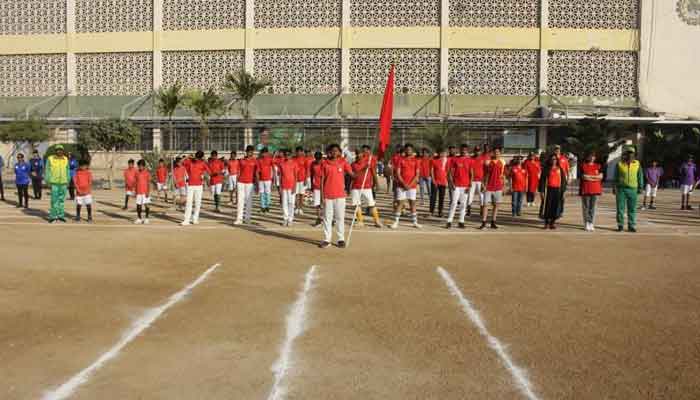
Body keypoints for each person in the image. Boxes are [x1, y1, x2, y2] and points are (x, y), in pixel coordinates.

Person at [319, 144, 354, 249]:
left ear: (339, 152)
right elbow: (322, 181)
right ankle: (326, 239)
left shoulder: (343, 162)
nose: (334, 152)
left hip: (340, 195)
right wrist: (321, 196)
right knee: (327, 218)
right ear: (329, 152)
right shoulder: (324, 163)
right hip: (328, 195)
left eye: (336, 151)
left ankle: (340, 239)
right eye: (332, 151)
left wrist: (366, 168)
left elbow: (352, 174)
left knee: (339, 218)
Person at [350, 145, 383, 228]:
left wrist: (377, 184)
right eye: (356, 153)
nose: (358, 155)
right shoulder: (353, 164)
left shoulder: (368, 162)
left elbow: (374, 173)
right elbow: (352, 176)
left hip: (366, 186)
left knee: (371, 204)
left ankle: (377, 220)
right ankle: (360, 221)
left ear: (363, 154)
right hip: (355, 187)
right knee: (357, 204)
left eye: (360, 153)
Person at [613, 146, 644, 233]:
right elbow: (615, 177)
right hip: (621, 189)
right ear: (625, 154)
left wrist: (641, 187)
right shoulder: (619, 164)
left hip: (633, 189)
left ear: (634, 155)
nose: (630, 155)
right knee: (620, 208)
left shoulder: (637, 164)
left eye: (632, 154)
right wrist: (614, 187)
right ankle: (620, 225)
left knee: (632, 208)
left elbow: (640, 176)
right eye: (629, 153)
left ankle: (631, 225)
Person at [391, 143, 421, 229]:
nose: (408, 151)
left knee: (412, 203)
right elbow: (398, 173)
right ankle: (396, 222)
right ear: (405, 150)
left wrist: (410, 185)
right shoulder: (400, 160)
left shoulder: (416, 160)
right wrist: (404, 184)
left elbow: (417, 175)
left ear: (412, 151)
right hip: (401, 186)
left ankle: (415, 222)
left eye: (410, 150)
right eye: (407, 150)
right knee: (400, 203)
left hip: (412, 186)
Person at [446, 144, 472, 229]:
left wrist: (469, 185)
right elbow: (449, 172)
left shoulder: (470, 160)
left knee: (463, 204)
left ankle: (461, 221)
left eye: (465, 150)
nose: (463, 151)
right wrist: (451, 183)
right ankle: (449, 221)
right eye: (462, 149)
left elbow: (471, 173)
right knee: (453, 203)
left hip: (465, 186)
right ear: (460, 150)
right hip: (456, 185)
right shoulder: (455, 159)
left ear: (467, 150)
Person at [181, 151, 210, 226]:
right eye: (196, 157)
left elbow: (209, 171)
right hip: (190, 184)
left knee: (198, 203)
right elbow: (181, 162)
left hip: (199, 185)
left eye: (198, 157)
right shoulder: (190, 162)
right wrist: (187, 156)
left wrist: (205, 160)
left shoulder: (203, 163)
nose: (197, 158)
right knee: (189, 202)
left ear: (201, 158)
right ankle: (186, 220)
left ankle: (195, 219)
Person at [539, 153, 567, 229]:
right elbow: (542, 181)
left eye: (555, 159)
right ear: (549, 160)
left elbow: (564, 181)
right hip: (548, 190)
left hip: (558, 190)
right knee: (547, 206)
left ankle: (553, 222)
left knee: (556, 206)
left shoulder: (560, 169)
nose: (553, 160)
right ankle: (546, 222)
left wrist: (563, 191)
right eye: (552, 159)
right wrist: (541, 191)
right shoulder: (546, 169)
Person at [480, 148, 506, 229]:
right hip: (488, 187)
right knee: (485, 205)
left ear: (500, 153)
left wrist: (504, 186)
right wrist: (483, 185)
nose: (496, 153)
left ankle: (493, 222)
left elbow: (503, 175)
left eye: (498, 152)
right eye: (495, 152)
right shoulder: (487, 162)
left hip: (498, 187)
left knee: (496, 205)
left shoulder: (502, 162)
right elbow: (484, 174)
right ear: (492, 153)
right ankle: (483, 222)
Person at [45, 145, 70, 223]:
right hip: (54, 183)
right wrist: (48, 181)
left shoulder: (66, 159)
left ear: (63, 151)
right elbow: (47, 170)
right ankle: (53, 216)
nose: (59, 151)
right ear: (55, 151)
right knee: (54, 200)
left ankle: (60, 215)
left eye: (61, 150)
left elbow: (67, 170)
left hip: (63, 182)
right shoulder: (50, 158)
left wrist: (68, 180)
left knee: (62, 200)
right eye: (57, 150)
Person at [580, 153, 603, 231]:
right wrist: (595, 178)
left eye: (593, 156)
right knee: (586, 207)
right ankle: (586, 223)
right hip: (586, 189)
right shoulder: (583, 165)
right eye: (590, 156)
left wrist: (590, 177)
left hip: (596, 189)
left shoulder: (598, 166)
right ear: (588, 157)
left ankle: (591, 222)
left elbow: (601, 176)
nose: (592, 158)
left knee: (593, 208)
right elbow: (584, 177)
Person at [235, 145, 258, 225]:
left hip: (250, 183)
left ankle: (247, 218)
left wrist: (257, 184)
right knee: (240, 201)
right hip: (241, 182)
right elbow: (238, 172)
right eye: (249, 152)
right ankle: (239, 218)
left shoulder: (255, 161)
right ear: (246, 152)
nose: (250, 153)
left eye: (251, 152)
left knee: (249, 201)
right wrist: (236, 183)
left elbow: (256, 173)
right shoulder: (241, 160)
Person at [277, 149, 299, 226]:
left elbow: (296, 176)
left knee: (291, 203)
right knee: (284, 203)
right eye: (286, 154)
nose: (287, 156)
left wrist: (294, 187)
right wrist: (279, 186)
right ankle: (285, 219)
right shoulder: (281, 164)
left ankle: (290, 219)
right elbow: (280, 176)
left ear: (291, 155)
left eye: (288, 154)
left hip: (291, 186)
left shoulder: (294, 164)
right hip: (283, 186)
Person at [468, 145, 487, 217]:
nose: (477, 152)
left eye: (478, 150)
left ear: (480, 151)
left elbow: (485, 171)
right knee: (470, 195)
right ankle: (469, 209)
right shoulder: (471, 159)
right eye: (476, 150)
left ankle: (482, 210)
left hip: (480, 180)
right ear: (474, 151)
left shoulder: (483, 159)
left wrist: (484, 182)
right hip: (472, 180)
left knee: (481, 196)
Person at [430, 149, 449, 217]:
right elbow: (431, 171)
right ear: (439, 154)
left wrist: (447, 181)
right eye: (441, 153)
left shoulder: (447, 161)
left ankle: (440, 212)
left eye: (444, 153)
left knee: (441, 197)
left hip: (443, 182)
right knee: (433, 197)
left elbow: (448, 171)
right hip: (435, 182)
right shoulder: (434, 160)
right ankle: (431, 211)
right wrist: (433, 180)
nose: (443, 154)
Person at [134, 159, 152, 225]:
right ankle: (139, 218)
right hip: (138, 192)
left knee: (146, 205)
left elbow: (148, 183)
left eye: (141, 166)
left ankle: (147, 218)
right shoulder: (136, 173)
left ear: (144, 166)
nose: (140, 167)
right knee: (138, 205)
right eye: (139, 166)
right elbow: (136, 182)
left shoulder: (147, 173)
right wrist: (135, 192)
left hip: (145, 192)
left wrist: (148, 192)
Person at [257, 147, 274, 213]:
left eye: (265, 153)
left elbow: (273, 169)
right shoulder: (259, 160)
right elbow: (258, 171)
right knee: (261, 193)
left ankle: (267, 206)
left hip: (268, 179)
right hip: (261, 179)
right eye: (262, 153)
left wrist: (273, 178)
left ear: (267, 153)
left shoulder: (270, 159)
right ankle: (262, 206)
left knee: (267, 193)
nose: (264, 154)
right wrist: (258, 180)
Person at [310, 151, 324, 227]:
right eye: (316, 159)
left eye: (319, 159)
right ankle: (319, 219)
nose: (318, 160)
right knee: (317, 203)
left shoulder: (325, 164)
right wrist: (312, 185)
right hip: (316, 187)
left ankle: (327, 219)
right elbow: (312, 174)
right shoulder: (313, 164)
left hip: (324, 187)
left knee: (325, 204)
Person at [294, 147, 308, 215]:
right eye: (297, 151)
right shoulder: (293, 159)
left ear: (302, 152)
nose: (299, 153)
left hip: (302, 179)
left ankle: (301, 208)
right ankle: (296, 208)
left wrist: (306, 179)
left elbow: (307, 169)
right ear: (296, 152)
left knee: (301, 194)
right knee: (296, 194)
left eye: (300, 151)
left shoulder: (305, 159)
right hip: (295, 179)